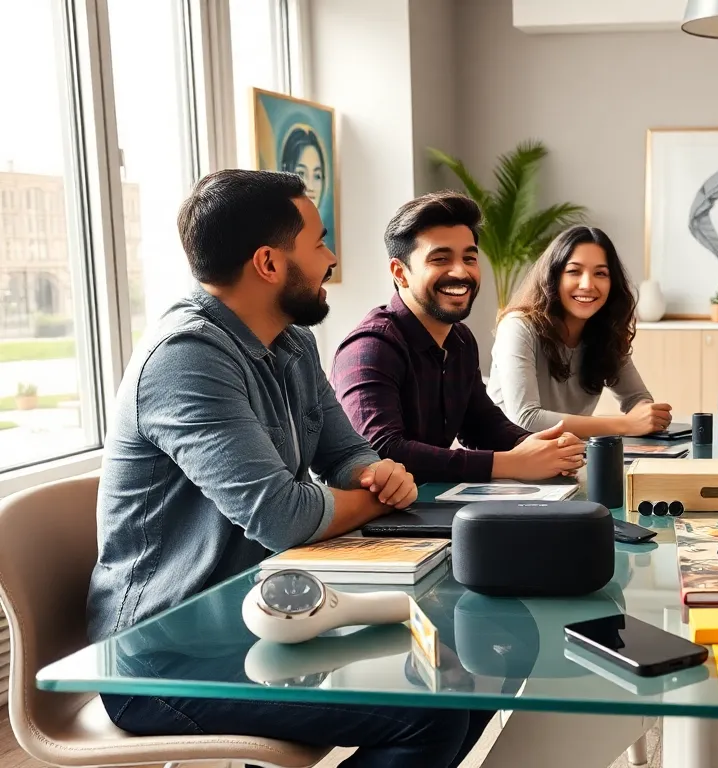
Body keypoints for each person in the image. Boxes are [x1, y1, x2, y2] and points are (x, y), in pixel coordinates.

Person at [89, 169, 491, 767]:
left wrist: (372, 473)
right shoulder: (187, 358)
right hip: (164, 655)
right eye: (320, 242)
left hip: (269, 613)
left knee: (467, 671)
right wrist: (381, 494)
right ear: (269, 264)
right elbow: (284, 518)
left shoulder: (292, 342)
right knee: (429, 711)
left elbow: (345, 450)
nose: (331, 258)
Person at [331, 191, 586, 483]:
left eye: (469, 258)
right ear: (400, 273)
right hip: (371, 523)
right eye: (440, 259)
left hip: (427, 506)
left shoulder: (460, 339)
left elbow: (480, 423)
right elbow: (382, 451)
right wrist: (508, 463)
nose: (460, 271)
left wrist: (537, 446)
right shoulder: (370, 348)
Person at [487, 225, 672, 438]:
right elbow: (526, 418)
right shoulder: (518, 326)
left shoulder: (605, 333)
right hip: (509, 458)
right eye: (574, 271)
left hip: (567, 456)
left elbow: (637, 398)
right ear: (553, 277)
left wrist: (647, 414)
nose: (587, 284)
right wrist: (625, 425)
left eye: (600, 273)